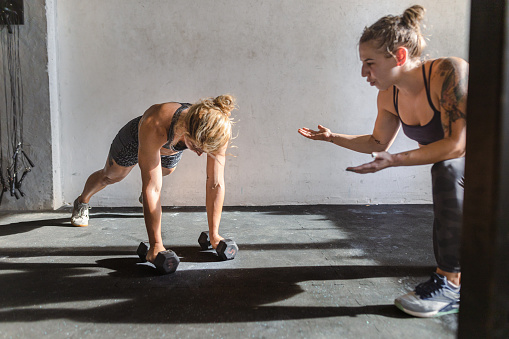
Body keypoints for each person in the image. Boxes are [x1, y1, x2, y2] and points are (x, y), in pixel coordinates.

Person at [298, 5, 467, 318]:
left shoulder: (447, 72)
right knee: (447, 239)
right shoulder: (389, 96)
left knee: (446, 168)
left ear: (399, 56)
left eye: (370, 63)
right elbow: (377, 143)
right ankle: (452, 275)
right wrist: (333, 137)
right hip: (460, 175)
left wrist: (395, 161)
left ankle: (450, 287)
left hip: (491, 163)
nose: (364, 73)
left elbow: (457, 146)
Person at [71, 95, 236, 263]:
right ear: (186, 129)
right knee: (111, 176)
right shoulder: (156, 123)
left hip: (168, 147)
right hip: (135, 139)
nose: (201, 154)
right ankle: (82, 201)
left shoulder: (217, 132)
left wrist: (214, 235)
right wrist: (156, 245)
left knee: (167, 170)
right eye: (196, 147)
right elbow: (153, 188)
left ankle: (148, 201)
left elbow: (215, 183)